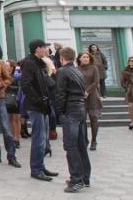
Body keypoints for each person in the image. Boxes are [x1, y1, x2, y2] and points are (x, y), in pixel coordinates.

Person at [20, 39, 59, 182]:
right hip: (36, 106)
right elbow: (25, 84)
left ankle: (41, 167)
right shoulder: (29, 63)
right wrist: (37, 99)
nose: (47, 50)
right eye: (44, 48)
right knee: (38, 138)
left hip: (44, 105)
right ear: (37, 49)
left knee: (43, 139)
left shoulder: (39, 63)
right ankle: (36, 169)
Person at [55, 47, 91, 193]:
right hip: (81, 109)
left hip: (71, 110)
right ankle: (85, 177)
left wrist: (60, 113)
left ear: (62, 57)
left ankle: (77, 180)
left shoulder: (62, 71)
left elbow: (60, 94)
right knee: (81, 144)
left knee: (70, 146)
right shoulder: (77, 70)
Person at [76, 50, 102, 150]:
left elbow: (96, 82)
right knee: (82, 119)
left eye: (87, 57)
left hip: (92, 96)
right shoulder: (76, 69)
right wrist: (82, 92)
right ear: (79, 59)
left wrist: (87, 91)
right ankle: (84, 140)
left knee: (93, 118)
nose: (86, 59)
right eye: (84, 57)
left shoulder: (94, 68)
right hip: (80, 96)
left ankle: (94, 140)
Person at [6, 59, 22, 148]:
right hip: (7, 98)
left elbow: (19, 86)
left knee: (16, 119)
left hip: (15, 98)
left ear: (12, 66)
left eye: (7, 65)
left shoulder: (17, 74)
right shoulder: (4, 74)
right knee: (9, 118)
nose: (6, 67)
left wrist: (9, 86)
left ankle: (17, 138)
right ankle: (12, 137)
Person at [120, 56, 133, 130]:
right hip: (130, 90)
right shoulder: (125, 70)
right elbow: (122, 81)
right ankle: (132, 121)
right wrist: (126, 87)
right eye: (130, 61)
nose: (132, 62)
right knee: (131, 107)